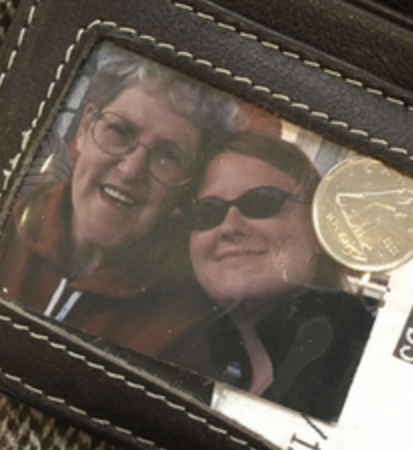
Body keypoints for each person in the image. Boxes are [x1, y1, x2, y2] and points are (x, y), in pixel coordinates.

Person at [0, 48, 235, 356]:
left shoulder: (187, 325)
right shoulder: (7, 220)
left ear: (188, 186)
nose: (130, 169)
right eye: (120, 131)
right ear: (85, 129)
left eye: (168, 155)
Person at [161, 131, 375, 422]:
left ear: (319, 229)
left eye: (261, 202)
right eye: (207, 212)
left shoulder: (366, 359)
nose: (229, 227)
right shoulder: (206, 363)